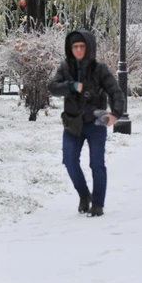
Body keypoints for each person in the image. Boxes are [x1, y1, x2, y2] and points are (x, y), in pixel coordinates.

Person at [48, 29, 125, 217]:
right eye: (75, 46)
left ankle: (98, 204)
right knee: (69, 161)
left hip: (96, 123)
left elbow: (116, 92)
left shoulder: (100, 69)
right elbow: (52, 88)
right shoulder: (66, 68)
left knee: (97, 164)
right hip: (73, 123)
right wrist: (71, 86)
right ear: (70, 48)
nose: (79, 50)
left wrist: (115, 114)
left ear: (89, 47)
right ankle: (84, 195)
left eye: (82, 46)